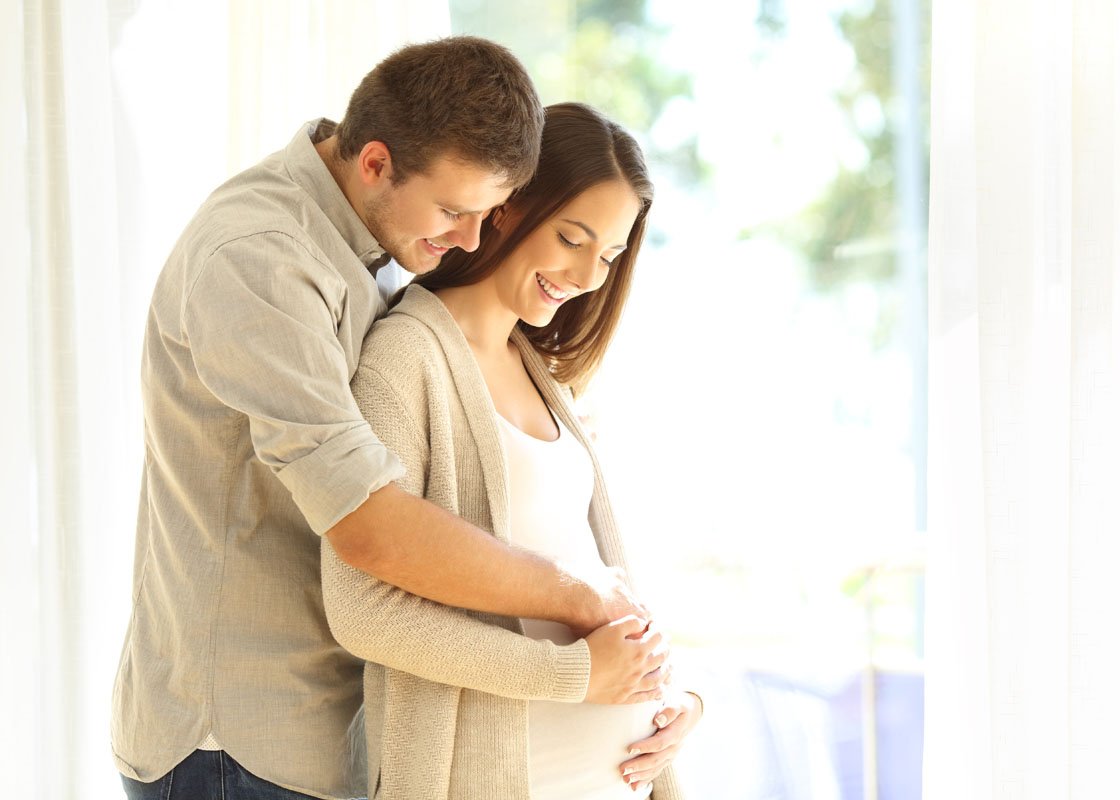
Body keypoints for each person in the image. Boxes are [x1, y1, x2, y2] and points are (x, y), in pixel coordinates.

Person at [112, 39, 666, 800]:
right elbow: (368, 525)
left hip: (322, 733)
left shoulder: (377, 253)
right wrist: (583, 602)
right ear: (375, 162)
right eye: (456, 211)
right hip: (237, 742)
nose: (472, 238)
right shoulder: (262, 257)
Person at [322, 102, 703, 800]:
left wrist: (673, 699)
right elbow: (365, 613)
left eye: (610, 255)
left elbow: (596, 579)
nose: (589, 275)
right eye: (572, 237)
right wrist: (578, 676)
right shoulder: (408, 358)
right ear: (507, 206)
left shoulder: (541, 373)